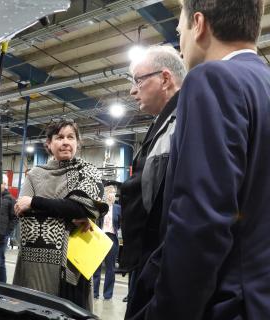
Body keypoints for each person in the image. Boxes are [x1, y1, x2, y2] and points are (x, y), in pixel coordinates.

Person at [126, 1, 270, 319]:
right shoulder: (263, 84)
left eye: (180, 31)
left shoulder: (213, 79)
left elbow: (201, 221)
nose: (181, 42)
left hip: (223, 304)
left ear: (199, 25)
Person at [13, 119, 108, 311]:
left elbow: (81, 208)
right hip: (34, 265)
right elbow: (20, 210)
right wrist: (68, 209)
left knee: (69, 311)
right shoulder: (35, 174)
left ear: (77, 143)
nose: (65, 142)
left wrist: (35, 203)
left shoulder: (88, 172)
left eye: (70, 137)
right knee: (33, 310)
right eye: (59, 137)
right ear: (49, 144)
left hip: (73, 262)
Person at [120, 45, 186, 306]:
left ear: (165, 78)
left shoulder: (185, 120)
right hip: (149, 259)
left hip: (164, 263)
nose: (132, 90)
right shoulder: (164, 124)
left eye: (138, 80)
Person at [93, 185, 121, 300]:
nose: (112, 195)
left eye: (113, 192)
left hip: (112, 238)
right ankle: (94, 293)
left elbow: (119, 223)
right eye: (109, 192)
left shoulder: (118, 208)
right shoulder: (101, 207)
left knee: (111, 268)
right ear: (105, 194)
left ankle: (108, 294)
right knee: (96, 267)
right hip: (100, 237)